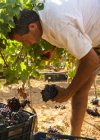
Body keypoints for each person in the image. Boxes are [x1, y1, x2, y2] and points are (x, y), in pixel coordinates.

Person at [8, 0, 100, 137]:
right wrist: (53, 47)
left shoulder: (60, 25)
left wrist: (68, 92)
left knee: (77, 89)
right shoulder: (37, 12)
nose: (27, 44)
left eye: (24, 40)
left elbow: (92, 61)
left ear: (32, 26)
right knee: (80, 89)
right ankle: (73, 137)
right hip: (92, 34)